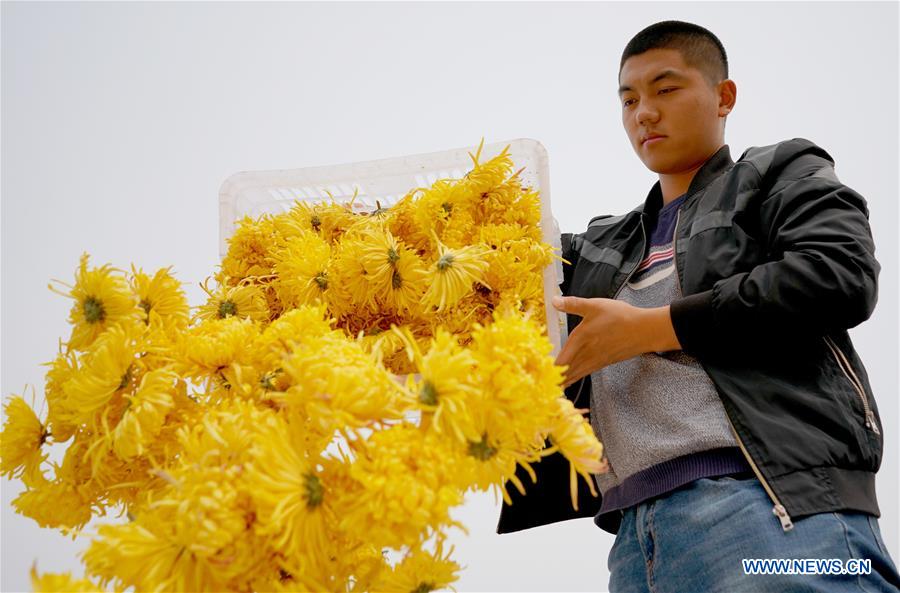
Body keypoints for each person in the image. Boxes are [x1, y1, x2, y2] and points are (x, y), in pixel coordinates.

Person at [496, 20, 900, 592]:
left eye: (666, 90)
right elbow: (478, 278)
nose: (644, 113)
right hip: (636, 546)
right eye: (628, 99)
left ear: (724, 96)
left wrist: (655, 328)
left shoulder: (776, 174)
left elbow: (838, 274)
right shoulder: (598, 246)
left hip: (778, 518)